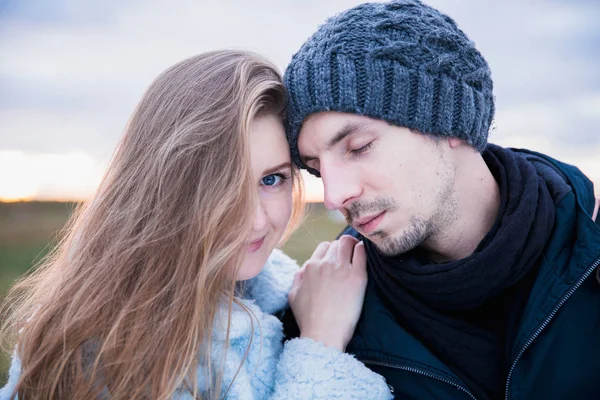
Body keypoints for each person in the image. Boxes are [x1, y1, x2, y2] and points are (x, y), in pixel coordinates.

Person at [0, 50, 392, 399]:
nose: (256, 220)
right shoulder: (101, 352)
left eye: (271, 179)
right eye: (224, 184)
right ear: (164, 186)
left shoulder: (279, 295)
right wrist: (320, 344)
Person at [282, 1, 600, 399]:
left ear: (449, 120)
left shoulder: (590, 250)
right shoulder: (319, 321)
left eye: (359, 147)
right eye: (315, 167)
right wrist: (320, 347)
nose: (333, 196)